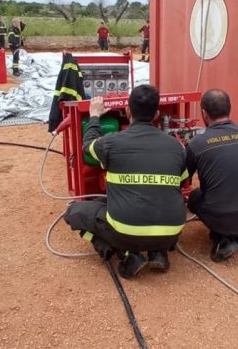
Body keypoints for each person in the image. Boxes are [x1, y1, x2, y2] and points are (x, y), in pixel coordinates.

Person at [64, 85, 187, 278]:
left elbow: (87, 147)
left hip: (125, 233)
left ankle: (126, 254)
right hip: (171, 233)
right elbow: (181, 181)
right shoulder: (177, 147)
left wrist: (94, 117)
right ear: (156, 114)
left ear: (128, 110)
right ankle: (159, 252)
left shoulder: (111, 142)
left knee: (73, 212)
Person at [185, 89, 238, 262]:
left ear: (204, 114)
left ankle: (222, 240)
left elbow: (183, 179)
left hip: (221, 219)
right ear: (229, 109)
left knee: (194, 197)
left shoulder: (197, 143)